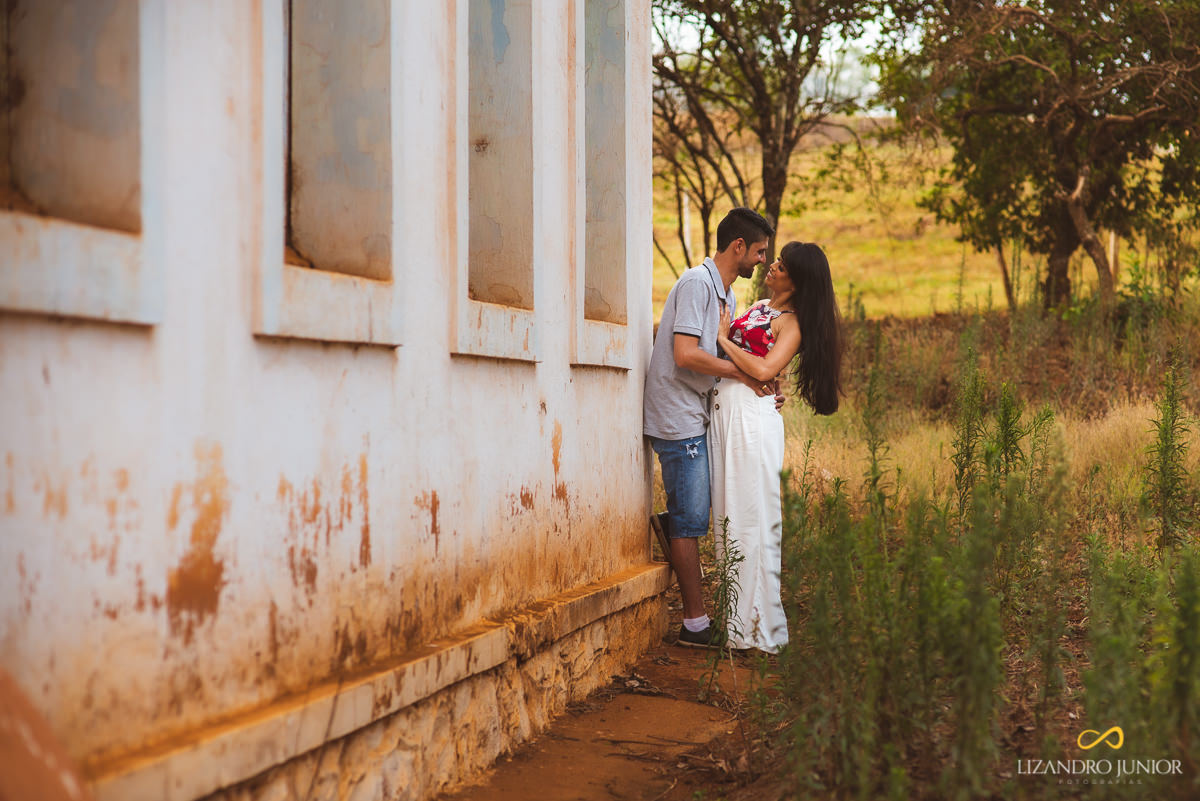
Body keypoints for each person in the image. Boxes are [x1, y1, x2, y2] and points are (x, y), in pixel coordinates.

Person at [644, 207, 777, 647]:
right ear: (738, 246)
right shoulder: (697, 284)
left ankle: (692, 597)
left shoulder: (728, 296)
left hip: (698, 411)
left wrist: (765, 379)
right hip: (677, 416)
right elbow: (685, 355)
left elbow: (728, 357)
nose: (761, 261)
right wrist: (744, 375)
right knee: (691, 519)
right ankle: (695, 625)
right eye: (759, 252)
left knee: (696, 513)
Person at [709, 241, 843, 653]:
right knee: (728, 512)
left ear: (798, 280)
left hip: (751, 421)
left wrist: (722, 340)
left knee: (751, 514)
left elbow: (767, 368)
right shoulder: (762, 305)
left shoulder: (793, 323)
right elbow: (762, 368)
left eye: (782, 265)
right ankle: (731, 618)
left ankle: (754, 624)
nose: (773, 266)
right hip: (729, 412)